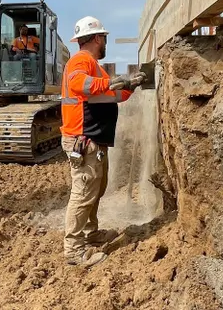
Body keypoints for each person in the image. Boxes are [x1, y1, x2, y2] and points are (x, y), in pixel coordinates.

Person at [60, 15, 145, 267]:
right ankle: (74, 250)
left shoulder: (93, 65)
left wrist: (132, 85)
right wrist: (110, 81)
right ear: (97, 38)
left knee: (96, 189)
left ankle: (91, 233)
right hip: (83, 139)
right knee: (84, 193)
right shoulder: (81, 61)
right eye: (104, 38)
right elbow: (79, 84)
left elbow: (111, 95)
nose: (105, 42)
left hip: (93, 139)